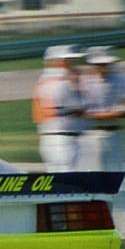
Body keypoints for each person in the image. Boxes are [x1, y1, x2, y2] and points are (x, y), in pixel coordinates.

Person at [80, 45, 125, 241]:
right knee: (94, 183)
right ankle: (95, 228)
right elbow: (79, 112)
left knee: (123, 182)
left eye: (107, 63)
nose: (104, 67)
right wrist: (106, 114)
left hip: (116, 134)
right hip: (92, 135)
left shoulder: (121, 80)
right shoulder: (83, 83)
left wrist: (114, 113)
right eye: (100, 64)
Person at [33, 44, 86, 172]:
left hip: (48, 137)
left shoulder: (42, 80)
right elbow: (80, 108)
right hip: (65, 140)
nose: (73, 64)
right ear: (60, 61)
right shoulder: (64, 82)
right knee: (71, 184)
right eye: (70, 60)